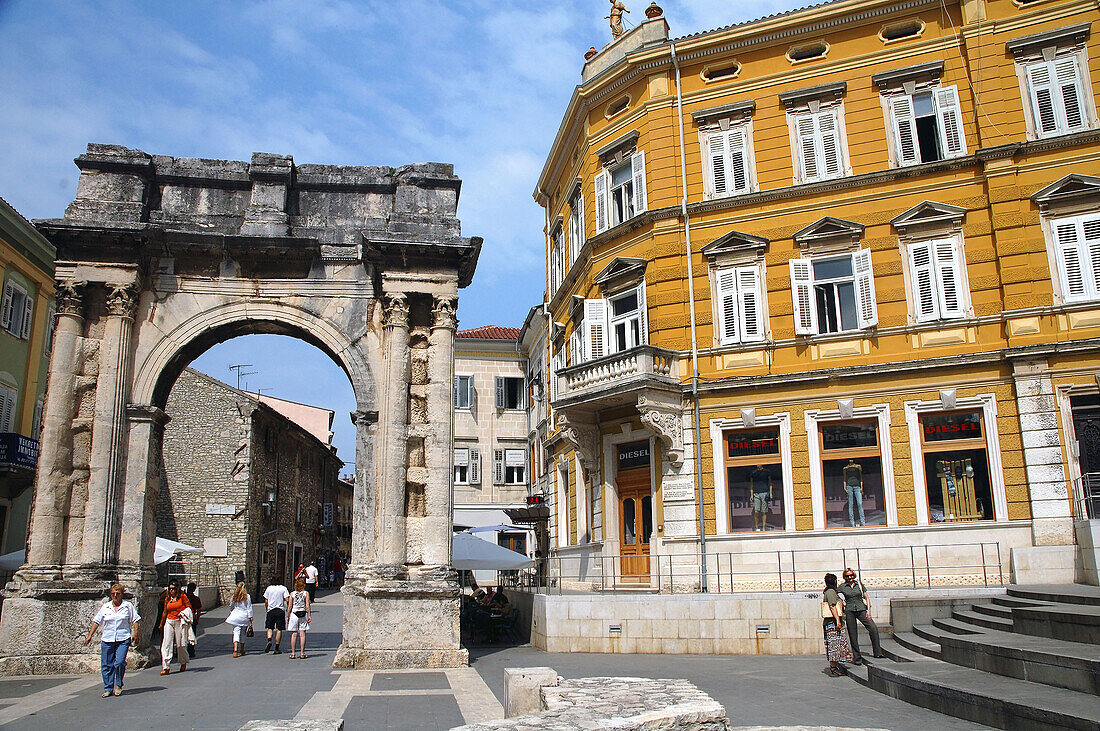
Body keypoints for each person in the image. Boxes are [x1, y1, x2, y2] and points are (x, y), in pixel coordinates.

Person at [83, 583, 140, 697]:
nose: (115, 596)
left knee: (119, 662)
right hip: (108, 638)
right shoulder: (106, 607)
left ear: (122, 594)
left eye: (118, 594)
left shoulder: (127, 606)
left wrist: (136, 633)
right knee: (107, 664)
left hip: (123, 638)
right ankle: (108, 687)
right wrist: (89, 636)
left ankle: (118, 684)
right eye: (113, 594)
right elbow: (97, 621)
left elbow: (135, 620)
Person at [838, 568, 884, 664]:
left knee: (873, 628)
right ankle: (857, 657)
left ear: (853, 575)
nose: (849, 577)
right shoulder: (842, 587)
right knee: (853, 634)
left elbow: (866, 597)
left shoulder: (859, 584)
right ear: (844, 577)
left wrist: (869, 612)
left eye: (851, 575)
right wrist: (842, 602)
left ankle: (877, 652)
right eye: (847, 576)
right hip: (850, 610)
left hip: (861, 609)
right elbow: (835, 594)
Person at [157, 579, 191, 675]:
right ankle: (166, 666)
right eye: (170, 588)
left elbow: (189, 607)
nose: (171, 590)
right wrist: (161, 624)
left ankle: (183, 662)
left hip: (179, 621)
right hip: (169, 621)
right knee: (166, 643)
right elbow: (165, 611)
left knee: (180, 644)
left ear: (177, 589)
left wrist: (187, 616)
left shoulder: (182, 597)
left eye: (173, 588)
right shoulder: (168, 598)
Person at [821, 573, 852, 677]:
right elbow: (832, 606)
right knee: (834, 646)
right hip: (832, 624)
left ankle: (834, 667)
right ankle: (833, 669)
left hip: (833, 623)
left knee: (836, 645)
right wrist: (838, 621)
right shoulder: (830, 592)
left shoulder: (831, 592)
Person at [224, 582, 253, 658]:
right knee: (243, 633)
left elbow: (231, 606)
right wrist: (250, 617)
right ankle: (242, 649)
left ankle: (235, 649)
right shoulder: (247, 596)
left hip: (236, 616)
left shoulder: (235, 596)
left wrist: (232, 611)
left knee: (236, 632)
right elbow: (249, 607)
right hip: (244, 616)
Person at [263, 578, 290, 654]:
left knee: (270, 627)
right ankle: (277, 648)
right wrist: (288, 608)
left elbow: (266, 600)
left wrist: (267, 608)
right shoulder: (283, 588)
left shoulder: (269, 588)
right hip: (280, 610)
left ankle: (269, 640)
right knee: (279, 629)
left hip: (271, 610)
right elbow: (287, 599)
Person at [287, 577, 312, 659]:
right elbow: (307, 605)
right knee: (302, 634)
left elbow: (290, 606)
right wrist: (309, 615)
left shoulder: (292, 594)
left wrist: (288, 616)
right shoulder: (306, 593)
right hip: (302, 613)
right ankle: (302, 653)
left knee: (294, 634)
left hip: (294, 613)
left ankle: (293, 653)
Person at [749, 464, 773, 531]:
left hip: (765, 492)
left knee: (764, 511)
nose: (758, 464)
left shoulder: (766, 472)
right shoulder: (754, 473)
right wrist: (751, 494)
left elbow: (770, 483)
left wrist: (770, 493)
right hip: (756, 493)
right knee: (756, 511)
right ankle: (757, 527)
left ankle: (764, 527)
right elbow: (751, 484)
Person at [843, 459, 865, 527]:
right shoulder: (845, 468)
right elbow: (844, 478)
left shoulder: (858, 467)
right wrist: (844, 487)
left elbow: (861, 477)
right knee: (851, 504)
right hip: (849, 486)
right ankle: (852, 522)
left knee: (859, 503)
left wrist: (861, 487)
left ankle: (863, 522)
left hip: (857, 486)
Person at [185, 582, 202, 656]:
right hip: (192, 618)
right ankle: (191, 651)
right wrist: (197, 619)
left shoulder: (183, 597)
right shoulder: (196, 598)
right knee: (192, 635)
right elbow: (199, 610)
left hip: (184, 618)